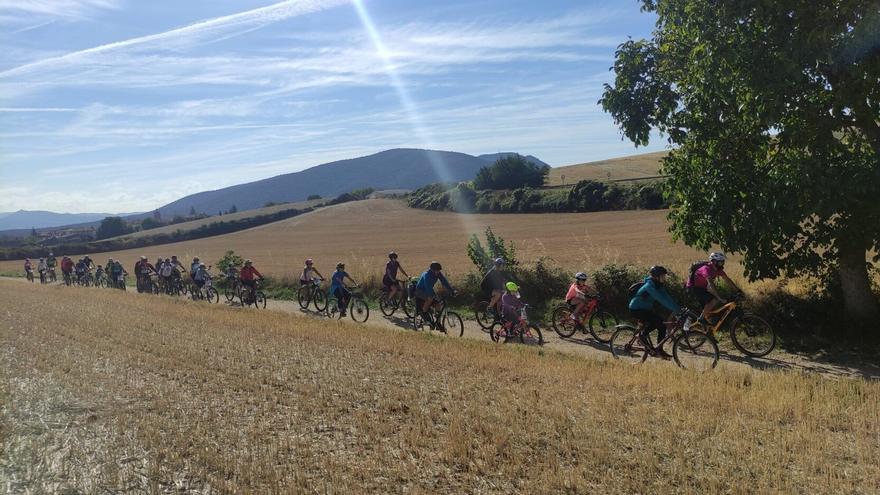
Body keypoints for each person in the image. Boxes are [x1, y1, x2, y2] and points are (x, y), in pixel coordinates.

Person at [629, 265, 680, 358]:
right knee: (658, 321)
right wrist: (675, 309)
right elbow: (661, 299)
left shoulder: (658, 285)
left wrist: (677, 307)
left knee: (662, 326)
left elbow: (666, 297)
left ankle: (659, 350)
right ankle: (642, 336)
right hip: (636, 309)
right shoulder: (649, 286)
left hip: (646, 309)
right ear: (656, 276)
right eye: (662, 276)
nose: (664, 278)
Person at [687, 252, 740, 325]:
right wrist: (719, 297)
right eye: (721, 262)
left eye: (723, 262)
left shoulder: (718, 270)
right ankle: (701, 319)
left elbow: (727, 280)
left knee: (710, 308)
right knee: (714, 300)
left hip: (702, 288)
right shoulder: (706, 269)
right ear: (714, 262)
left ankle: (705, 330)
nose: (722, 264)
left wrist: (738, 290)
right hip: (693, 288)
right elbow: (711, 284)